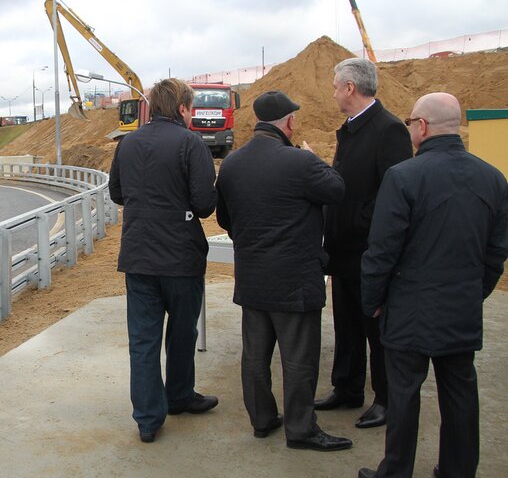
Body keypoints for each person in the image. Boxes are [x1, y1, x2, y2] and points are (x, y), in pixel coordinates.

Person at [357, 93, 508, 478]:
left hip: (409, 307)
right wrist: (474, 292)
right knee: (460, 393)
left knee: (404, 395)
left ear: (421, 127)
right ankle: (459, 470)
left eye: (411, 123)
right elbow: (496, 252)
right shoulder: (493, 178)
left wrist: (372, 300)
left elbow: (382, 249)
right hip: (461, 307)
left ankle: (396, 472)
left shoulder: (403, 176)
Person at [216, 91, 351, 452]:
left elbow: (225, 219)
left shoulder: (232, 164)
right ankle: (301, 429)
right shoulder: (299, 162)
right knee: (299, 360)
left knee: (255, 356)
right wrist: (315, 158)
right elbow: (336, 189)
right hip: (295, 280)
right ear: (289, 122)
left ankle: (262, 420)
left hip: (253, 278)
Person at [108, 78, 218, 444]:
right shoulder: (191, 143)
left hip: (138, 257)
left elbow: (117, 193)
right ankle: (180, 396)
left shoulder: (128, 143)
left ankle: (147, 420)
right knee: (183, 333)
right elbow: (205, 204)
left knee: (142, 341)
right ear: (183, 108)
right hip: (181, 259)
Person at [316, 57, 413, 429]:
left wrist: (358, 223)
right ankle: (347, 388)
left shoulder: (388, 130)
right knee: (347, 323)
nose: (333, 92)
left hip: (370, 250)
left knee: (377, 329)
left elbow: (394, 193)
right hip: (342, 249)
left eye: (336, 86)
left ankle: (386, 399)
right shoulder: (350, 128)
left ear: (350, 88)